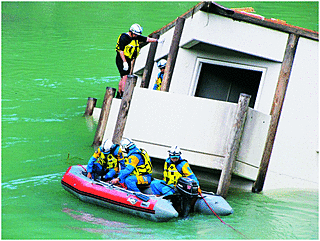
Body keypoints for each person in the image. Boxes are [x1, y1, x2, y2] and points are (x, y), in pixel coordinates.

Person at [116, 23, 159, 98]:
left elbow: (146, 39)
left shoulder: (135, 37)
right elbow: (121, 51)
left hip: (128, 59)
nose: (136, 36)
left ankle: (119, 93)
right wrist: (124, 62)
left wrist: (157, 40)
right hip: (121, 59)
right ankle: (123, 93)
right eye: (135, 34)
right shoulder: (124, 38)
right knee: (125, 76)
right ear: (131, 32)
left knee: (123, 77)